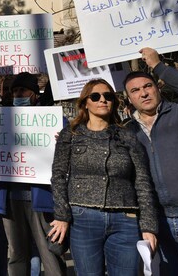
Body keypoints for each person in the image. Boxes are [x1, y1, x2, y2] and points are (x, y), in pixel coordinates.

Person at [49, 78, 158, 275]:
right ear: (85, 103)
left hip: (125, 220)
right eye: (96, 96)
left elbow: (142, 182)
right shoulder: (70, 135)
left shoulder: (127, 137)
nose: (103, 100)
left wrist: (148, 226)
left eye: (108, 96)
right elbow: (57, 176)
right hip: (83, 219)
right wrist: (62, 215)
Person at [125, 47, 178, 274]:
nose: (143, 93)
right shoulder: (127, 132)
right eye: (135, 90)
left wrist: (157, 65)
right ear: (129, 98)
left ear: (158, 88)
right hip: (157, 223)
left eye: (147, 86)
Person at [0, 72, 67, 275]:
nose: (17, 94)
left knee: (50, 253)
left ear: (34, 94)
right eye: (14, 90)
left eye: (22, 90)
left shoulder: (52, 120)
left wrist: (63, 138)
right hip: (10, 200)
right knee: (17, 254)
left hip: (42, 198)